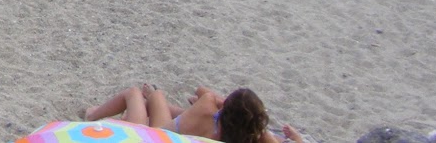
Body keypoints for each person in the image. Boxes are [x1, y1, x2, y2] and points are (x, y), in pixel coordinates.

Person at [83, 85, 303, 143]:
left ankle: (92, 115)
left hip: (151, 136)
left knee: (136, 95)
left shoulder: (208, 104)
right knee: (164, 105)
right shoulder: (251, 137)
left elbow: (200, 91)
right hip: (174, 133)